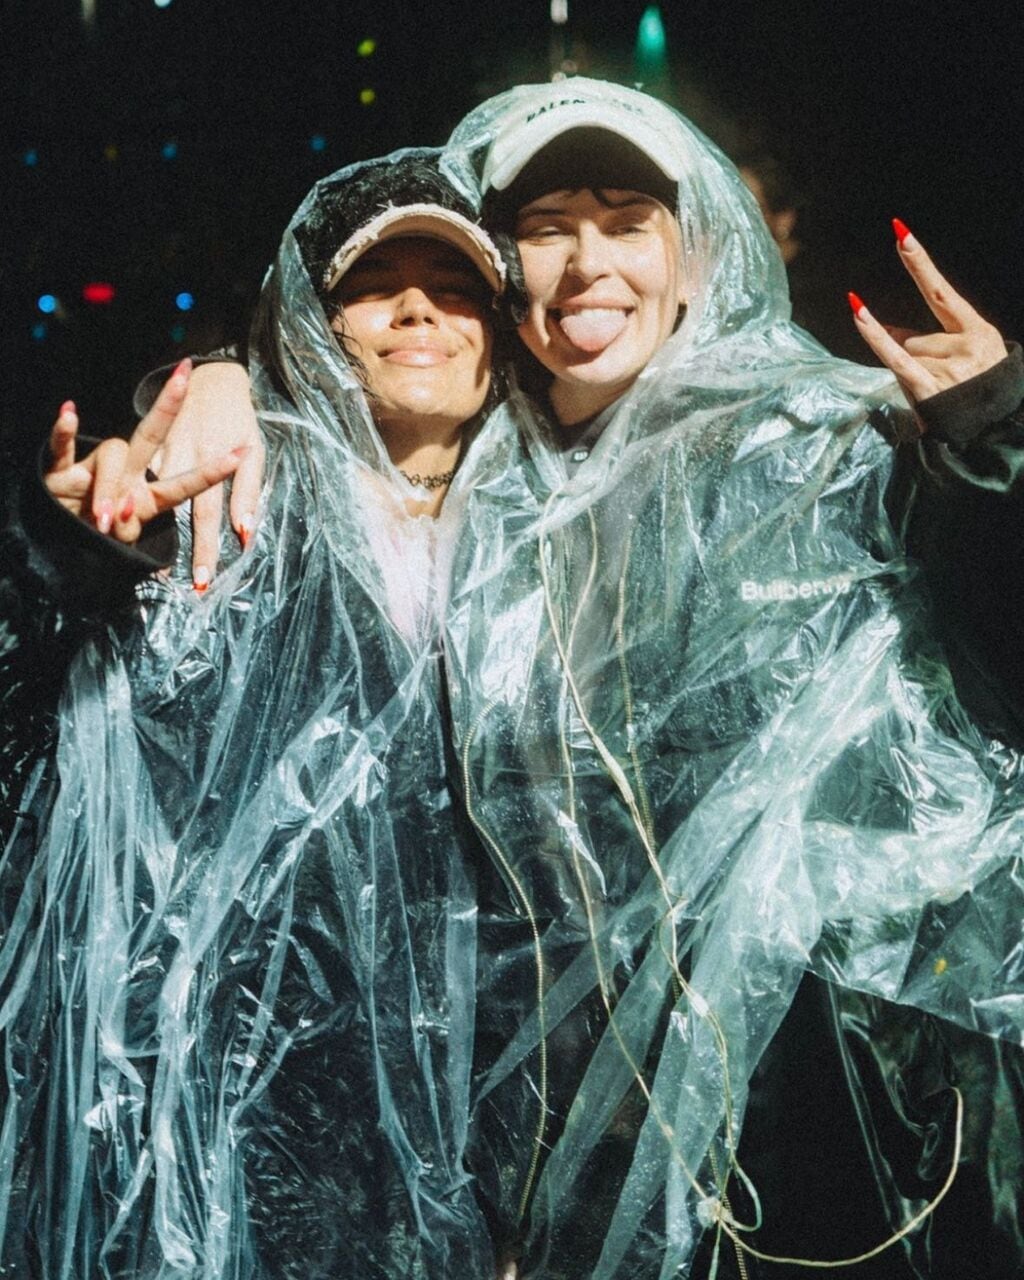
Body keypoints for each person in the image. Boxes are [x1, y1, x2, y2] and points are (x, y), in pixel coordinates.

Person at [437, 78, 1024, 1278]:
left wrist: (990, 437)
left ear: (695, 252)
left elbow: (985, 611)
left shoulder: (815, 435)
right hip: (582, 1114)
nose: (585, 262)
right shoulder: (476, 493)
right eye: (545, 227)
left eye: (625, 221)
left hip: (843, 1103)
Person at [0, 148, 518, 1279]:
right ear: (314, 323)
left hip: (467, 1128)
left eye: (456, 282)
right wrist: (72, 551)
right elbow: (52, 710)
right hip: (238, 1112)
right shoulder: (230, 509)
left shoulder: (539, 542)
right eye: (377, 285)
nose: (420, 305)